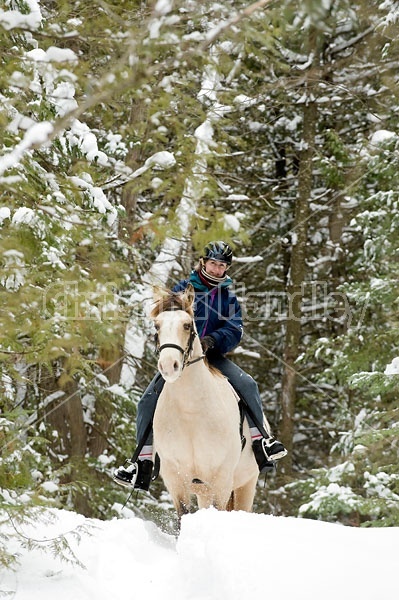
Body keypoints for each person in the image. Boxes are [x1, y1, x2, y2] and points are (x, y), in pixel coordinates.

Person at [114, 241, 287, 491]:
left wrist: (213, 340)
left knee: (247, 384)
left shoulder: (227, 297)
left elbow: (235, 328)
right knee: (146, 401)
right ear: (203, 262)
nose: (217, 270)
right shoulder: (183, 290)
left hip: (211, 356)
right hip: (180, 358)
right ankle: (141, 462)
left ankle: (263, 443)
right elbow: (167, 319)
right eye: (213, 264)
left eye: (222, 266)